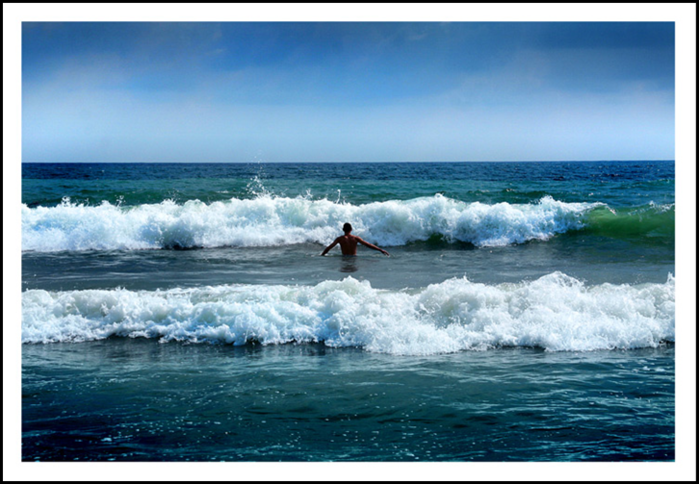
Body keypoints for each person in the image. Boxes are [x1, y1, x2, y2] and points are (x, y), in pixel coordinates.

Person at [321, 223, 390, 257]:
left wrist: (322, 255)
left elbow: (328, 248)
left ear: (343, 230)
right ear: (351, 229)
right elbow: (368, 245)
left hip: (344, 259)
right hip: (354, 259)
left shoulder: (340, 239)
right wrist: (380, 250)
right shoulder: (356, 238)